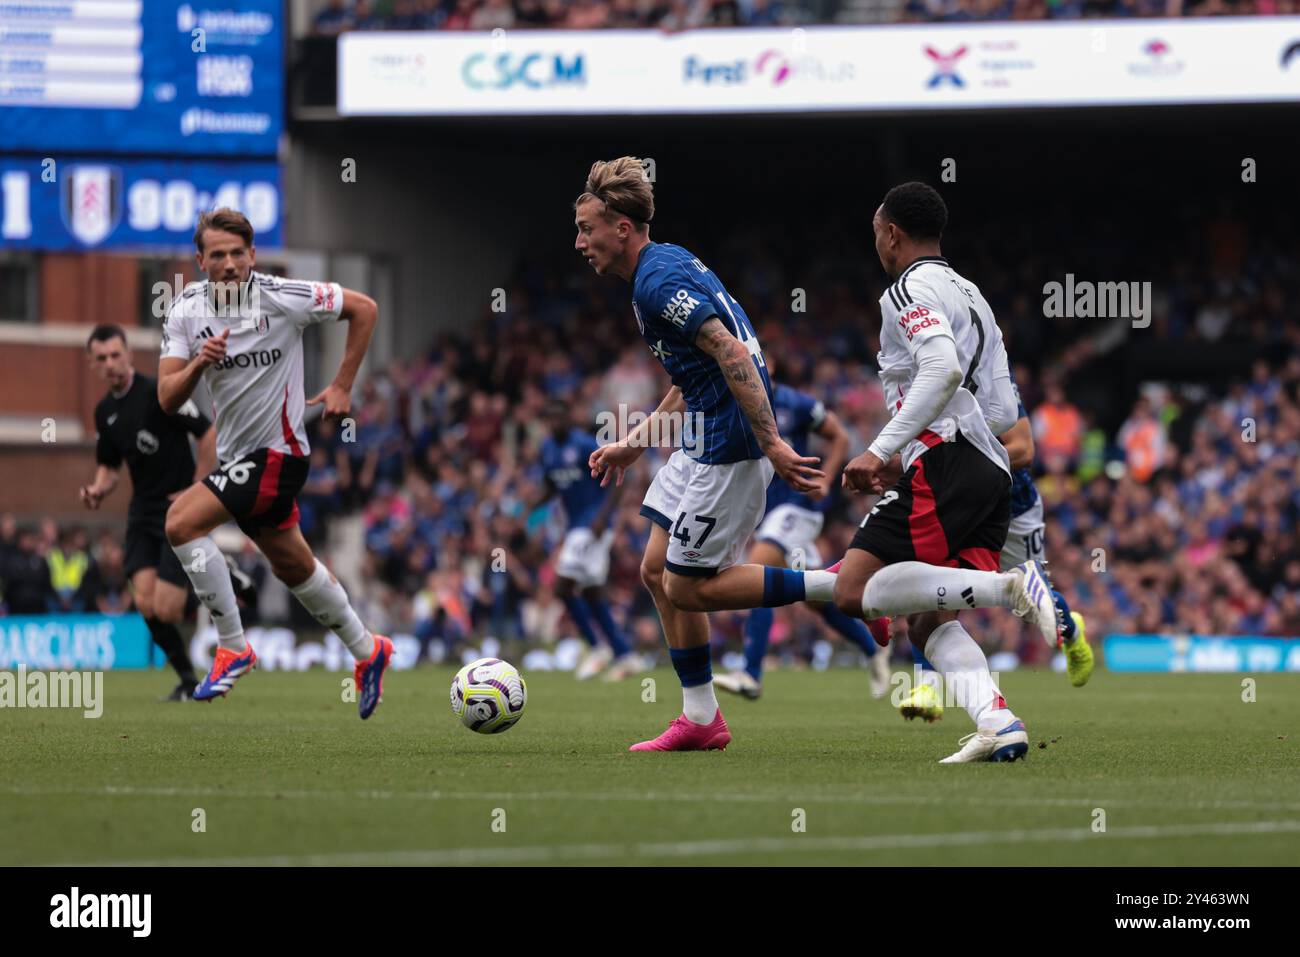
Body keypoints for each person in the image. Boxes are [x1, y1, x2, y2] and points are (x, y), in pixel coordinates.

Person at [576, 156, 835, 752]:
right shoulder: (663, 264)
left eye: (588, 228)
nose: (579, 242)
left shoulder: (656, 282)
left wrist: (771, 442)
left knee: (689, 586)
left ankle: (830, 584)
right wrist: (632, 444)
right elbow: (694, 372)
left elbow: (731, 352)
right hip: (703, 434)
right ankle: (701, 719)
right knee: (653, 571)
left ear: (621, 227)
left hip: (732, 443)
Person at [829, 182, 1059, 763]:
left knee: (853, 590)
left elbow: (942, 367)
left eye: (876, 230)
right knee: (929, 623)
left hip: (949, 459)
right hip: (988, 471)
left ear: (892, 233)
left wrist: (881, 451)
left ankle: (1009, 587)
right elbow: (1005, 413)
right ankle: (996, 722)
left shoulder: (907, 287)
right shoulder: (972, 294)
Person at [157, 208, 393, 718]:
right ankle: (368, 650)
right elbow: (167, 399)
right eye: (216, 255)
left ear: (253, 256)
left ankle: (232, 645)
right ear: (200, 261)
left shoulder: (283, 297)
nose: (228, 264)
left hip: (281, 456)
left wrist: (343, 385)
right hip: (239, 461)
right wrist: (200, 360)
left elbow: (366, 308)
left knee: (179, 522)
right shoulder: (185, 311)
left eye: (237, 253)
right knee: (293, 566)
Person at [714, 378, 892, 700]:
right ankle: (874, 649)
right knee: (817, 597)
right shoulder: (736, 402)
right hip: (764, 512)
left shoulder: (796, 402)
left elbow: (837, 435)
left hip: (798, 507)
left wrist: (826, 479)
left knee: (756, 573)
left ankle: (750, 674)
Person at [80, 324, 218, 699]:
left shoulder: (159, 393)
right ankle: (189, 681)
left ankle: (224, 574)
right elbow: (110, 468)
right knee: (144, 602)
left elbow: (207, 433)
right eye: (102, 358)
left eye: (115, 355)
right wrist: (97, 489)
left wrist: (197, 487)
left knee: (169, 609)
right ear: (92, 364)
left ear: (128, 354)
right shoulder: (104, 412)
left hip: (178, 510)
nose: (110, 363)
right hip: (142, 511)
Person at [531, 399, 643, 681]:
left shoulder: (583, 445)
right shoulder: (547, 449)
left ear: (569, 418)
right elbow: (551, 486)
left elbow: (621, 476)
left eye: (559, 417)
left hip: (591, 526)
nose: (555, 423)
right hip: (575, 526)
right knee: (592, 593)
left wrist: (604, 517)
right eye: (550, 419)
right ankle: (624, 653)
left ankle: (596, 647)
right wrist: (530, 507)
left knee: (562, 586)